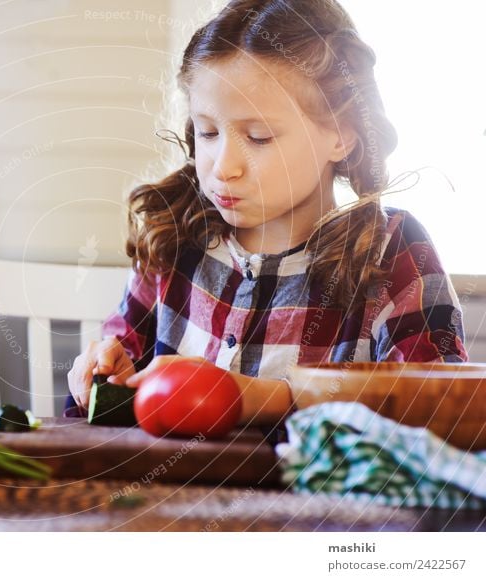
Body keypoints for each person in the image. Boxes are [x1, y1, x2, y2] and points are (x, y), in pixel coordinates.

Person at [65, 0, 468, 427]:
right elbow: (120, 350)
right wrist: (106, 361)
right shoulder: (174, 236)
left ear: (342, 135)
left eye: (258, 137)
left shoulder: (391, 252)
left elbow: (438, 402)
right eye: (208, 131)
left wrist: (264, 398)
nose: (223, 167)